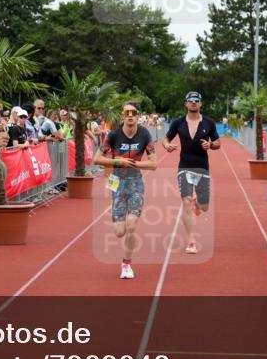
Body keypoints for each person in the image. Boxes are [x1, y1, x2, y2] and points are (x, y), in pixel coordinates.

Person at [93, 103, 158, 280]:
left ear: (138, 116)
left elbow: (154, 163)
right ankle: (117, 218)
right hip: (117, 183)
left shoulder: (144, 134)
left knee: (131, 226)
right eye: (127, 113)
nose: (130, 116)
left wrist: (134, 164)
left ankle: (126, 264)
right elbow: (96, 159)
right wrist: (117, 162)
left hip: (136, 183)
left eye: (133, 113)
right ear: (123, 116)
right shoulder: (114, 135)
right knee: (119, 231)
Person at [161, 91, 220, 254]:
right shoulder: (178, 123)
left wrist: (211, 146)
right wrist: (167, 146)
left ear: (201, 104)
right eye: (190, 100)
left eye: (197, 100)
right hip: (184, 167)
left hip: (202, 167)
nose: (193, 102)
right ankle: (191, 241)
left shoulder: (209, 123)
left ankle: (198, 203)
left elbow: (217, 142)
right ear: (185, 104)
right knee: (185, 202)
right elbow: (165, 139)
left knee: (205, 207)